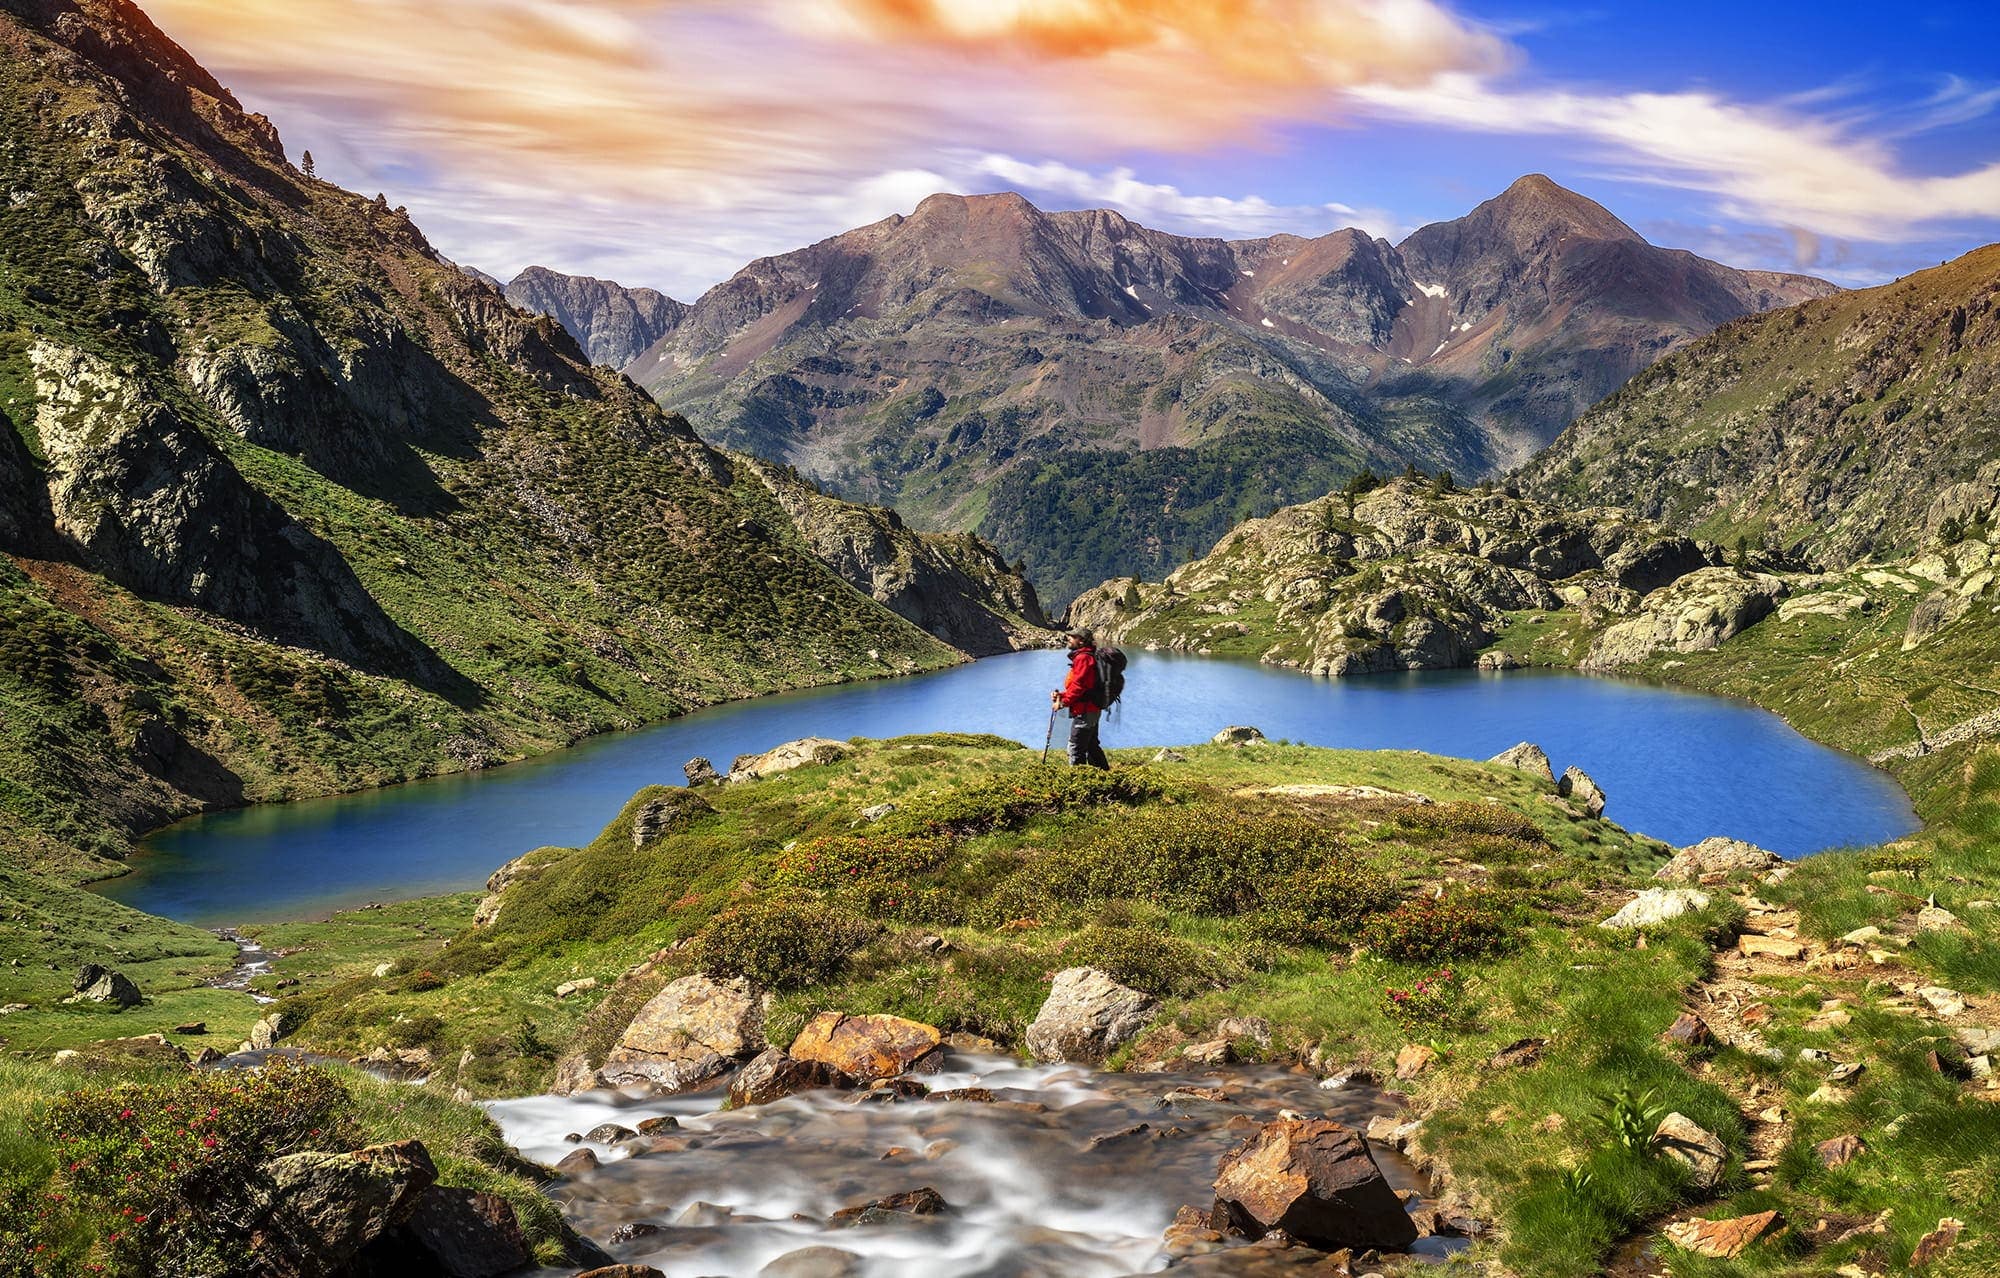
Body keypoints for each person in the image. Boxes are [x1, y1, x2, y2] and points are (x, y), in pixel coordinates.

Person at [1052, 628, 1109, 769]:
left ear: (1081, 641)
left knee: (1075, 748)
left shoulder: (1083, 658)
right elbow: (1081, 687)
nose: (1069, 638)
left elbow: (1079, 685)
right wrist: (1062, 696)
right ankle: (1105, 776)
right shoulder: (1087, 655)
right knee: (1091, 745)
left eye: (1073, 636)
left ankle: (1078, 781)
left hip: (1086, 710)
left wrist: (1063, 702)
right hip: (1091, 708)